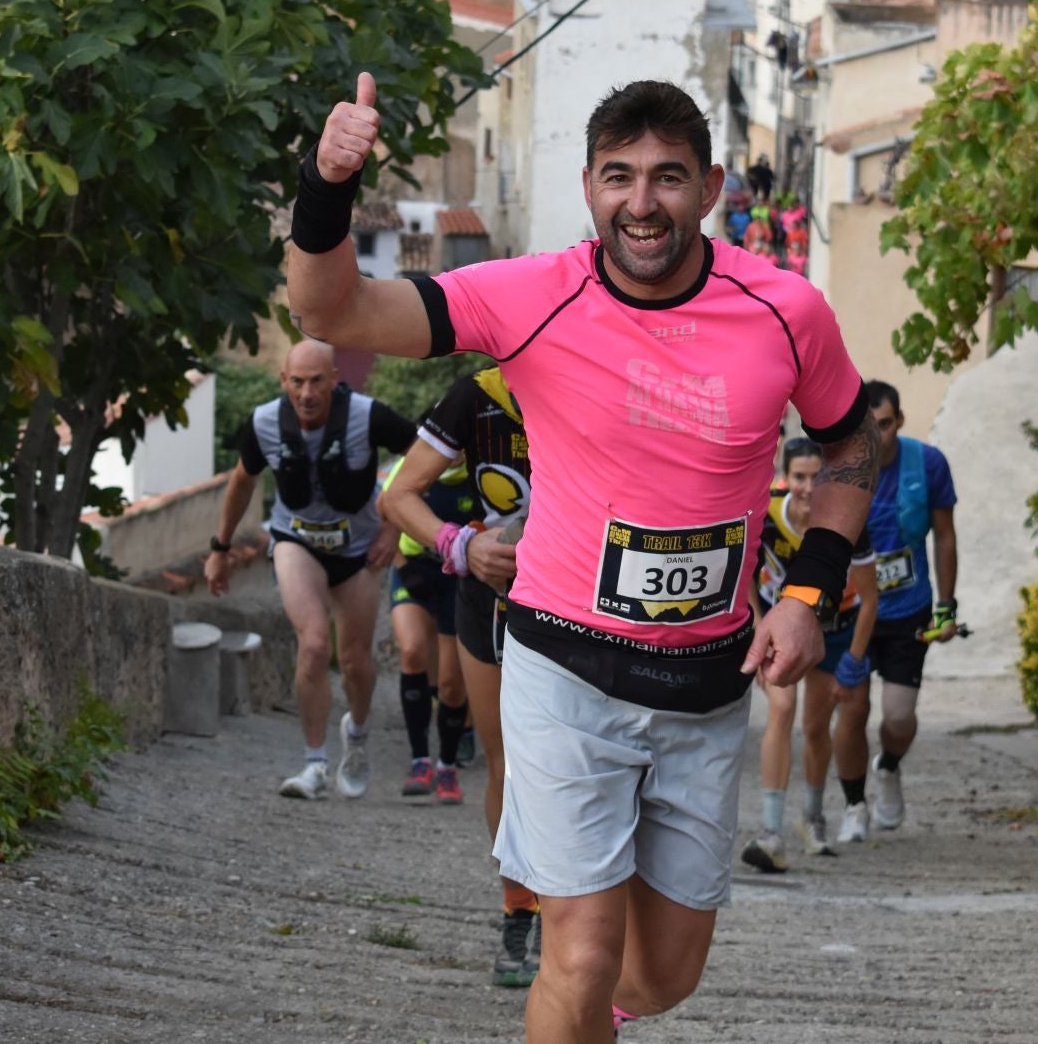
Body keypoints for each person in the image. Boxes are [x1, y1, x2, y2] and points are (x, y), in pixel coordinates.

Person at [288, 74, 878, 1043]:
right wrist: (328, 182)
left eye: (667, 177)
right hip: (563, 665)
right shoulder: (531, 294)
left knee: (660, 973)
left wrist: (807, 589)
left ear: (711, 186)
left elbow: (852, 442)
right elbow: (334, 311)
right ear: (589, 185)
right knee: (581, 944)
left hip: (705, 683)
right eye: (619, 176)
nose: (641, 202)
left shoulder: (784, 309)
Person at [380, 363, 542, 988]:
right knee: (505, 764)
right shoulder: (479, 395)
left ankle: (574, 912)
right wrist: (459, 546)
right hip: (493, 591)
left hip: (580, 600)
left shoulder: (601, 375)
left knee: (571, 763)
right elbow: (395, 495)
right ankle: (518, 911)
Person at [204, 340, 416, 799]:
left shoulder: (368, 415)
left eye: (317, 381)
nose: (306, 392)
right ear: (284, 381)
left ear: (334, 379)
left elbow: (425, 456)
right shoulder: (264, 422)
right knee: (315, 644)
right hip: (295, 540)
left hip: (358, 547)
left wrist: (394, 527)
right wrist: (220, 549)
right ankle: (314, 764)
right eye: (297, 381)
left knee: (357, 661)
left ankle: (356, 737)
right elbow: (242, 481)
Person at [742, 437, 879, 871]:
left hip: (832, 630)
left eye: (815, 477)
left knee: (817, 727)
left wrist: (853, 663)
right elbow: (744, 572)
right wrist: (758, 621)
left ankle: (813, 816)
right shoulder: (766, 515)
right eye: (798, 477)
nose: (806, 487)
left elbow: (871, 600)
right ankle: (770, 832)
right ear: (785, 477)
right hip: (776, 626)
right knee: (781, 708)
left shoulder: (847, 521)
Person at [852, 380, 959, 841]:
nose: (880, 437)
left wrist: (946, 608)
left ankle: (889, 765)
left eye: (887, 425)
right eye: (870, 428)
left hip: (908, 608)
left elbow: (945, 536)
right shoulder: (841, 466)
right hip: (853, 610)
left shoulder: (928, 463)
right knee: (851, 711)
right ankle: (853, 806)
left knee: (897, 717)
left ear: (900, 420)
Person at [379, 454, 475, 803]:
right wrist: (402, 564)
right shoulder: (414, 464)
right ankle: (420, 761)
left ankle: (447, 766)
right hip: (413, 570)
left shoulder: (479, 470)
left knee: (451, 684)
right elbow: (385, 507)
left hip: (459, 579)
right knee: (412, 650)